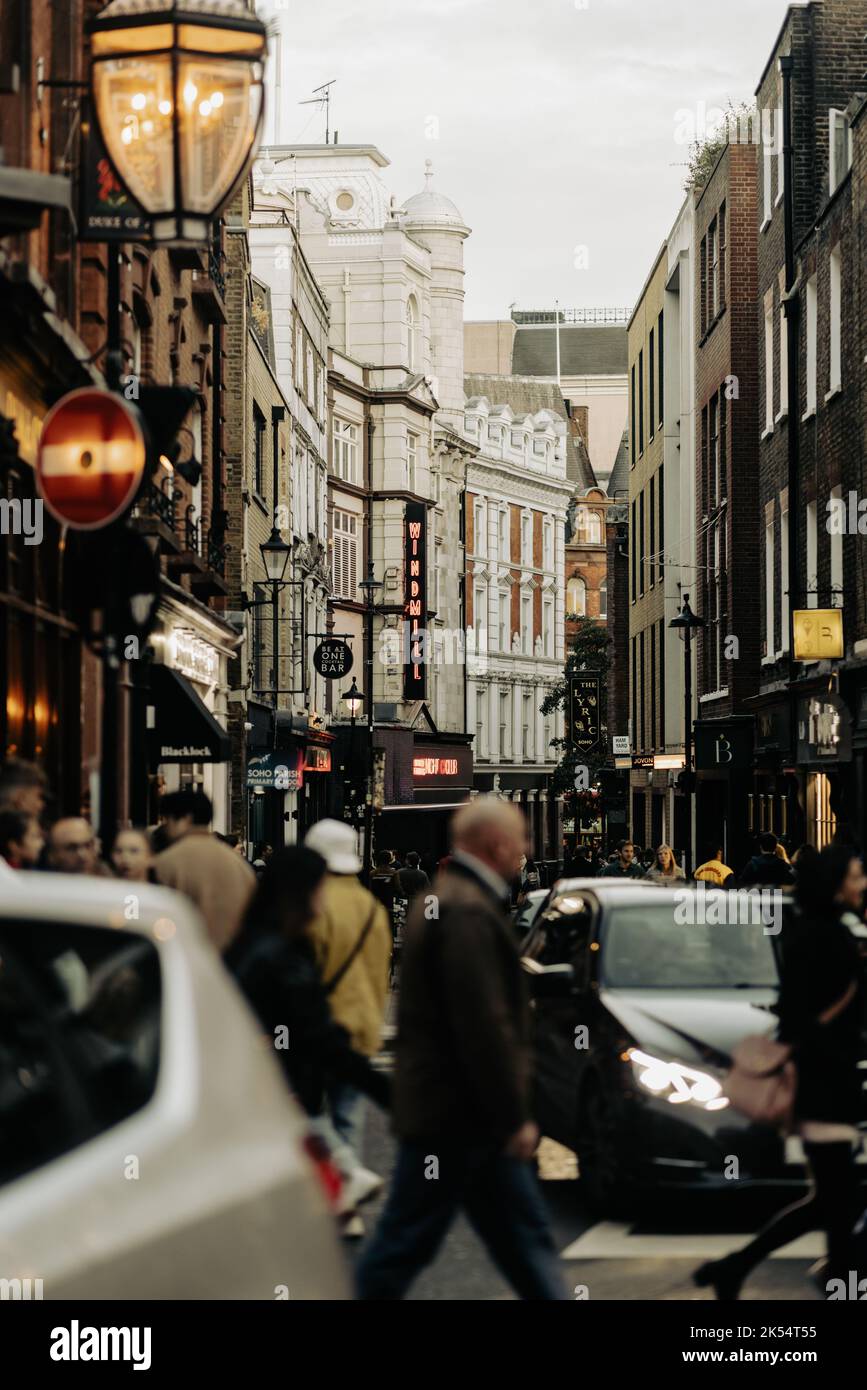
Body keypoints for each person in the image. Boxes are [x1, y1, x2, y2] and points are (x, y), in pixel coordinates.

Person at [357, 796, 566, 1301]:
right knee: (413, 1242)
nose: (526, 850)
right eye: (522, 839)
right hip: (461, 1116)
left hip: (452, 1113)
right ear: (498, 844)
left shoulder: (454, 900)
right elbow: (482, 1024)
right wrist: (514, 1115)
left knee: (515, 1239)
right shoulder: (468, 913)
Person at [694, 844, 865, 1300]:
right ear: (834, 884)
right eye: (854, 876)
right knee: (838, 1199)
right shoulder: (824, 937)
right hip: (825, 1086)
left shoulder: (821, 930)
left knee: (833, 1200)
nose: (862, 883)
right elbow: (802, 1017)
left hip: (828, 1082)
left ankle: (740, 1267)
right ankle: (839, 1281)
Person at [225, 846, 391, 1219]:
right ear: (298, 895)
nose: (323, 900)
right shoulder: (280, 959)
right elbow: (320, 1039)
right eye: (318, 889)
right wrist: (389, 1095)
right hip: (273, 1096)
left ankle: (344, 1182)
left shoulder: (252, 947)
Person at [304, 820, 392, 1225]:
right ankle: (348, 1204)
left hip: (322, 1028)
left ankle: (340, 1185)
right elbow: (380, 976)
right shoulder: (372, 909)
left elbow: (308, 969)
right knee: (348, 1116)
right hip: (362, 1025)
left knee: (306, 1110)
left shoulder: (314, 905)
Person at [153, 791, 255, 952]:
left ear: (185, 819)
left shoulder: (167, 862)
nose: (166, 828)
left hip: (188, 957)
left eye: (168, 820)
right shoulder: (238, 864)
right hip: (235, 959)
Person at [369, 849, 398, 917]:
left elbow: (369, 888)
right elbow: (397, 887)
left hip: (375, 902)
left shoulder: (372, 873)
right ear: (389, 859)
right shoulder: (394, 873)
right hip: (389, 903)